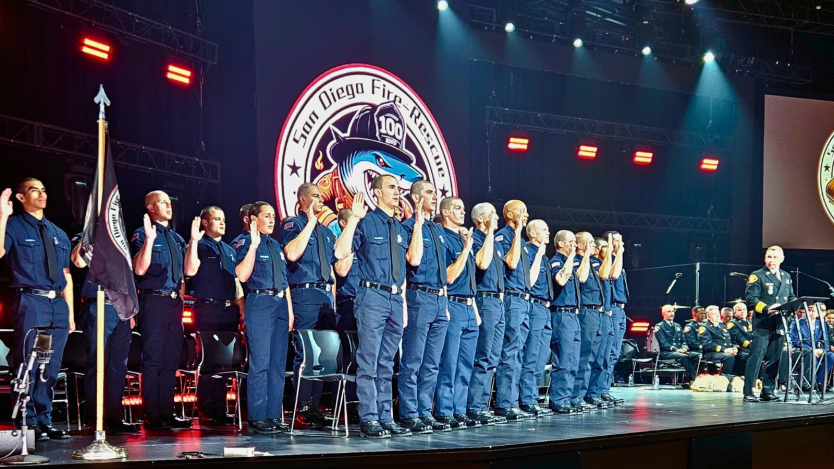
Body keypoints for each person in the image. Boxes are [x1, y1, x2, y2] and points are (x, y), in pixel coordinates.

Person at [334, 175, 420, 439]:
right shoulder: (367, 221)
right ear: (377, 192)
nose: (397, 192)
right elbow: (340, 253)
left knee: (386, 362)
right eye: (391, 188)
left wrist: (417, 223)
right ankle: (369, 417)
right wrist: (354, 220)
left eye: (398, 188)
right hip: (372, 297)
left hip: (396, 299)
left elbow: (413, 260)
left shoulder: (401, 227)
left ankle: (385, 416)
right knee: (369, 360)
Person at [0, 180, 73, 441]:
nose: (41, 193)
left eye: (43, 189)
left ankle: (44, 420)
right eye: (34, 190)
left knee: (49, 366)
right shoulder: (14, 226)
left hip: (56, 306)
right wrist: (3, 216)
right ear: (21, 196)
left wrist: (71, 313)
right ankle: (26, 420)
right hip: (32, 302)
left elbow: (66, 275)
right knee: (27, 364)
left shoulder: (58, 232)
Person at [282, 183, 348, 429]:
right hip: (304, 295)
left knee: (324, 356)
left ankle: (315, 406)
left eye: (322, 196)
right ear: (302, 199)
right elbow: (291, 254)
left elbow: (336, 268)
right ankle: (302, 407)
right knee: (306, 353)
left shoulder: (327, 232)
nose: (322, 200)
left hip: (325, 298)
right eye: (315, 196)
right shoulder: (294, 224)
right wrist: (310, 222)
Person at [130, 190, 192, 430]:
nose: (169, 206)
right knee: (154, 358)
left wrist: (181, 294)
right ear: (151, 208)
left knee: (171, 360)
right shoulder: (142, 233)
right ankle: (151, 412)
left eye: (170, 202)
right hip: (154, 301)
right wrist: (148, 239)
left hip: (174, 303)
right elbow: (139, 269)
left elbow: (185, 273)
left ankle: (167, 411)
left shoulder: (177, 238)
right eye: (163, 202)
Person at [235, 201, 293, 434]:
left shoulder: (276, 245)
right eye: (266, 216)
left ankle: (272, 415)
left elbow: (286, 282)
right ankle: (257, 417)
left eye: (273, 216)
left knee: (278, 365)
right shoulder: (245, 242)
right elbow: (241, 274)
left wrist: (289, 312)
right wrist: (253, 246)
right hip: (259, 303)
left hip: (280, 304)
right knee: (261, 363)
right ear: (252, 219)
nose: (271, 220)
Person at [183, 206, 244, 425]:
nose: (222, 223)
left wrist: (241, 309)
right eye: (217, 219)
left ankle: (220, 407)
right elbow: (188, 271)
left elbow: (236, 282)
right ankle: (206, 407)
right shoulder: (198, 245)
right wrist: (193, 242)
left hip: (228, 310)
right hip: (207, 308)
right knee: (208, 360)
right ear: (205, 223)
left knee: (225, 362)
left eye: (224, 219)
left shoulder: (230, 250)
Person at [71, 234, 137, 434]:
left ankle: (114, 417)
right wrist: (91, 230)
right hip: (98, 306)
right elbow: (78, 261)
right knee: (98, 363)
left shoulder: (120, 237)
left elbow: (128, 274)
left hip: (122, 308)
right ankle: (96, 417)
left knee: (118, 365)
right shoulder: (87, 234)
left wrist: (131, 308)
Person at [396, 181, 447, 435]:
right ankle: (408, 412)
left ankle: (425, 411)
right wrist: (416, 221)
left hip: (439, 300)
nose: (434, 196)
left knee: (432, 362)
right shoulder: (407, 227)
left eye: (434, 192)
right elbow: (413, 261)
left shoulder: (437, 230)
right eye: (428, 192)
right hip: (419, 297)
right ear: (415, 198)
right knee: (413, 359)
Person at [435, 197, 482, 428]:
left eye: (464, 208)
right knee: (449, 362)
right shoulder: (442, 238)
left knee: (466, 364)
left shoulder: (465, 239)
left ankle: (459, 409)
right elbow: (449, 276)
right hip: (451, 304)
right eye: (457, 208)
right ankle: (444, 410)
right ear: (445, 212)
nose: (462, 211)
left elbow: (469, 279)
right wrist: (464, 251)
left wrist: (474, 309)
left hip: (469, 307)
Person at [465, 203, 507, 426]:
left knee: (493, 357)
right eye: (492, 215)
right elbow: (481, 263)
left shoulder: (496, 244)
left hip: (499, 302)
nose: (497, 218)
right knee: (482, 356)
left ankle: (482, 404)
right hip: (484, 299)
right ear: (481, 218)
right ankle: (474, 406)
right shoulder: (478, 239)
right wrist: (489, 231)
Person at [493, 200, 534, 421]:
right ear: (509, 214)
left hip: (524, 300)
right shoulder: (503, 237)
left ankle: (513, 401)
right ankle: (504, 403)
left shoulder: (523, 241)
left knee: (519, 352)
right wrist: (517, 233)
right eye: (522, 211)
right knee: (509, 352)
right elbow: (510, 262)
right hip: (511, 299)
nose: (526, 215)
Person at [743, 246, 796, 403]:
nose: (771, 260)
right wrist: (766, 308)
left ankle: (768, 390)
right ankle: (749, 391)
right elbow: (751, 299)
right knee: (756, 357)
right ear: (765, 258)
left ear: (782, 259)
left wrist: (795, 305)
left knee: (775, 358)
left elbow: (791, 296)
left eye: (774, 257)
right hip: (763, 323)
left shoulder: (786, 276)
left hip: (780, 323)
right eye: (769, 257)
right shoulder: (757, 276)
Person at [518, 219, 553, 417]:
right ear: (532, 234)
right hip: (534, 306)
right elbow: (529, 282)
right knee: (530, 356)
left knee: (540, 359)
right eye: (543, 229)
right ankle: (526, 400)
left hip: (545, 309)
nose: (547, 232)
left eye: (548, 229)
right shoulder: (529, 251)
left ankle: (533, 398)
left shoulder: (544, 257)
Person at [547, 230, 583, 414]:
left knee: (573, 360)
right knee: (563, 359)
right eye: (571, 242)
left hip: (573, 316)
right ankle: (558, 399)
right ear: (561, 244)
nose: (574, 246)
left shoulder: (573, 264)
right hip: (561, 315)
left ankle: (567, 398)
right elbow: (560, 280)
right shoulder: (556, 261)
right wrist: (570, 257)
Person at [571, 232, 603, 412]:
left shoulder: (591, 263)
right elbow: (580, 279)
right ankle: (575, 396)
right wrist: (583, 257)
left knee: (591, 357)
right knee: (583, 356)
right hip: (585, 311)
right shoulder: (577, 260)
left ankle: (584, 394)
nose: (594, 246)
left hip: (595, 313)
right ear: (580, 246)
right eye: (590, 243)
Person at [586, 236, 614, 409]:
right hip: (596, 314)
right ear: (596, 250)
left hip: (606, 314)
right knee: (594, 357)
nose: (609, 250)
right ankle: (590, 393)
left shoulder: (604, 264)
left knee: (605, 356)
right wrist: (612, 253)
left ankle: (598, 390)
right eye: (605, 247)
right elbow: (606, 274)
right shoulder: (594, 264)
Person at [601, 231, 627, 405]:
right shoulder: (608, 261)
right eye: (615, 241)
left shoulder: (618, 261)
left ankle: (605, 388)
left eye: (620, 240)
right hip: (612, 310)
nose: (619, 244)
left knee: (615, 353)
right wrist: (617, 254)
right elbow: (613, 275)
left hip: (621, 310)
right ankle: (601, 389)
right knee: (608, 353)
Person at [789, 304, 834, 388]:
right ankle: (809, 382)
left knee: (831, 356)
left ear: (818, 313)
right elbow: (795, 341)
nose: (810, 313)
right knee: (811, 356)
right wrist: (812, 350)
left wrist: (823, 350)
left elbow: (826, 340)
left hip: (818, 350)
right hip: (803, 351)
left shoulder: (821, 324)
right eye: (808, 310)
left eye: (813, 311)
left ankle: (820, 382)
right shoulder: (796, 323)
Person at [654, 305, 697, 382]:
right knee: (684, 357)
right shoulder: (659, 327)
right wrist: (677, 350)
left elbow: (683, 340)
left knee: (697, 356)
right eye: (669, 311)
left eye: (673, 311)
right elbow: (664, 344)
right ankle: (694, 379)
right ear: (663, 314)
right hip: (666, 352)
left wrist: (684, 348)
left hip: (679, 351)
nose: (672, 313)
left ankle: (688, 377)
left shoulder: (677, 325)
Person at [698, 306, 737, 375]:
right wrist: (725, 350)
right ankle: (726, 378)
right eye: (714, 314)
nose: (717, 316)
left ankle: (739, 377)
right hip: (711, 353)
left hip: (725, 352)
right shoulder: (704, 327)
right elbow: (708, 345)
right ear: (708, 316)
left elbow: (731, 339)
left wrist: (734, 348)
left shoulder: (723, 326)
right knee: (729, 358)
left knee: (742, 356)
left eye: (718, 314)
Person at [727, 303, 753, 373]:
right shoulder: (732, 323)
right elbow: (740, 339)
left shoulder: (750, 323)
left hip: (751, 348)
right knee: (751, 356)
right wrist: (753, 347)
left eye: (744, 310)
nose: (742, 311)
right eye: (739, 310)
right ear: (735, 312)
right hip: (740, 349)